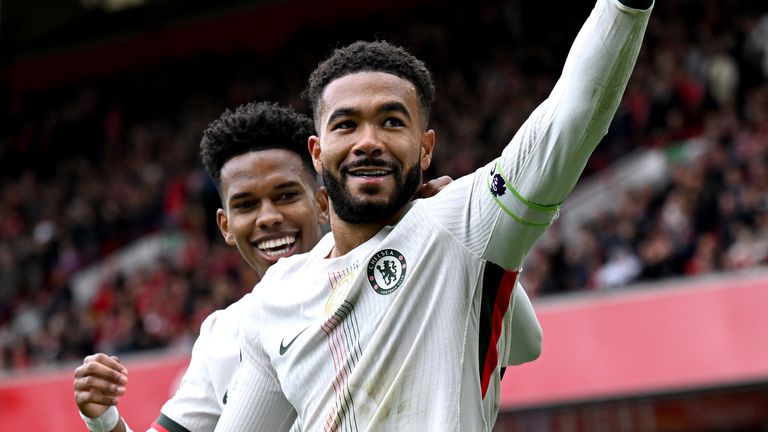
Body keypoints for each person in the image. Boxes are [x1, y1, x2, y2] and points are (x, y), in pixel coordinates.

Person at [213, 0, 653, 430]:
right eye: (346, 125)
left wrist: (626, 7)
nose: (367, 141)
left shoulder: (459, 225)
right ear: (316, 152)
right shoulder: (277, 295)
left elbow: (571, 116)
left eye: (391, 122)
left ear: (425, 148)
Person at [73, 102, 452, 432]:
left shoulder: (393, 272)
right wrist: (103, 420)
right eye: (246, 205)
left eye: (285, 195)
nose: (268, 217)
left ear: (322, 204)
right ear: (225, 226)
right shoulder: (221, 335)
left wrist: (445, 236)